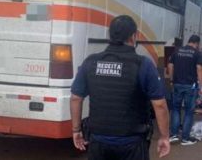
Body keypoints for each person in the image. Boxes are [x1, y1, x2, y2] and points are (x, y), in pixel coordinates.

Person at [70, 15, 170, 160]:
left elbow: (75, 98)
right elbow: (159, 104)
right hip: (132, 144)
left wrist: (76, 130)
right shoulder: (143, 64)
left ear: (110, 36)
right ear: (133, 36)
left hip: (98, 142)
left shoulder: (90, 62)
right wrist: (164, 136)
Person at [168, 34, 202, 145]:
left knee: (176, 109)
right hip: (190, 86)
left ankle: (173, 135)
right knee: (188, 111)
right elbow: (199, 69)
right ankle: (185, 139)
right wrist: (201, 86)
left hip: (177, 84)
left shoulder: (177, 51)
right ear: (197, 43)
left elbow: (170, 65)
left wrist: (172, 80)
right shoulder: (197, 53)